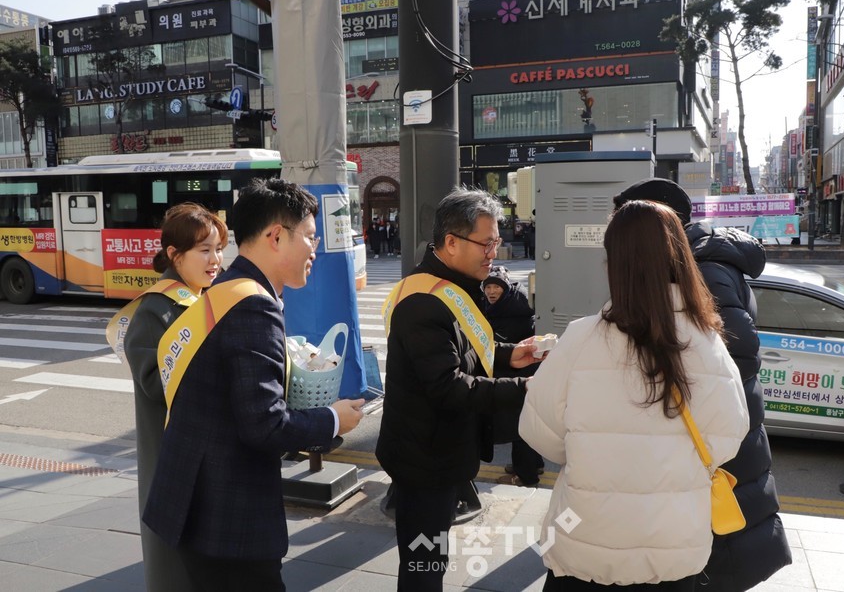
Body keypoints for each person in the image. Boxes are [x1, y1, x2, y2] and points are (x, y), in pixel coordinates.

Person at [142, 178, 365, 592]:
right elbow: (263, 425)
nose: (314, 249)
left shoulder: (227, 288)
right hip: (226, 518)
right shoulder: (253, 305)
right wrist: (332, 420)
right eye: (310, 238)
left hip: (200, 500)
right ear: (276, 236)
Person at [519, 200, 749, 590]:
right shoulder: (709, 343)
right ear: (681, 260)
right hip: (674, 552)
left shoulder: (580, 339)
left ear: (615, 265)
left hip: (586, 548)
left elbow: (539, 433)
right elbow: (729, 438)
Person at [613, 178, 792, 591]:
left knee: (718, 549)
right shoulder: (697, 258)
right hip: (718, 431)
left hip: (717, 438)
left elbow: (739, 351)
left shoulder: (704, 266)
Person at [377, 187, 539, 591]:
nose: (494, 253)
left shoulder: (446, 285)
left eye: (496, 242)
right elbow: (449, 386)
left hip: (437, 451)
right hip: (424, 460)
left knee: (430, 557)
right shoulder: (423, 302)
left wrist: (509, 355)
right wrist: (526, 388)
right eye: (486, 243)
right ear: (451, 242)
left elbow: (464, 349)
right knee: (423, 566)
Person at [116, 203, 227, 591]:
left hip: (201, 459)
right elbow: (158, 384)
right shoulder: (157, 310)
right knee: (177, 570)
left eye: (218, 249)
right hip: (173, 463)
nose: (216, 260)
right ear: (175, 255)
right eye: (205, 251)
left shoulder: (201, 299)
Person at [481, 266, 544, 487]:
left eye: (496, 286)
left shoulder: (512, 312)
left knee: (518, 428)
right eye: (487, 286)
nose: (491, 291)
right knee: (524, 425)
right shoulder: (507, 305)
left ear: (505, 288)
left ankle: (525, 476)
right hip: (521, 376)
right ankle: (534, 465)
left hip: (519, 376)